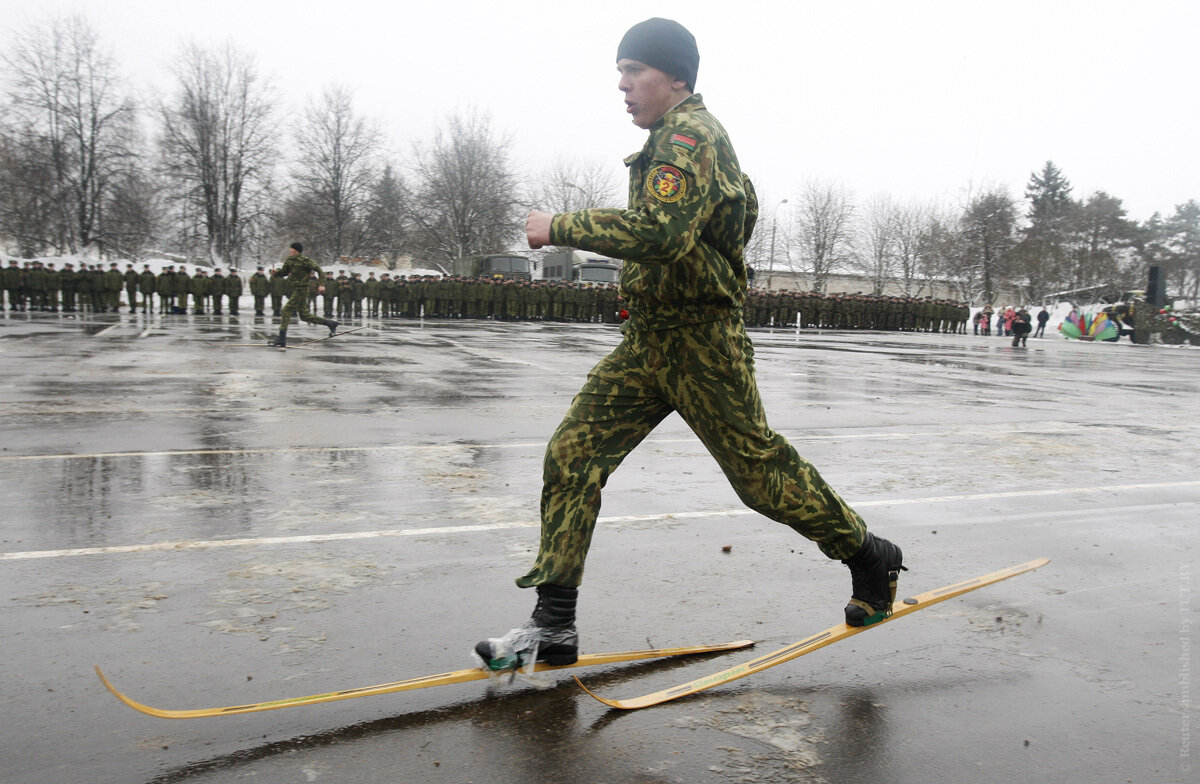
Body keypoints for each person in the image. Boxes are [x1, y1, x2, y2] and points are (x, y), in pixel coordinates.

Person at [475, 18, 904, 669]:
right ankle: (554, 623)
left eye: (634, 70)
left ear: (675, 76)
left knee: (759, 477)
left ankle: (871, 556)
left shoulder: (689, 136)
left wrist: (556, 226)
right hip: (649, 340)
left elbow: (662, 232)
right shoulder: (667, 141)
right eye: (619, 71)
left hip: (701, 341)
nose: (622, 85)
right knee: (573, 454)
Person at [268, 243, 337, 347]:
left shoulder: (305, 260)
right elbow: (285, 272)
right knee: (305, 316)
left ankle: (281, 338)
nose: (290, 250)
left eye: (291, 248)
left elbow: (319, 270)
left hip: (302, 289)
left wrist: (322, 284)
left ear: (295, 250)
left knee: (286, 310)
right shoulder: (289, 260)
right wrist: (276, 273)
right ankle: (330, 323)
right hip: (295, 289)